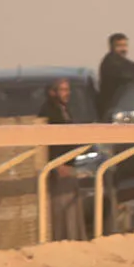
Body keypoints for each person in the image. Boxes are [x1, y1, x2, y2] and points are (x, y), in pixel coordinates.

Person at [38, 77, 88, 242]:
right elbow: (48, 142)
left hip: (70, 164)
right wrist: (57, 164)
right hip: (59, 167)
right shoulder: (48, 112)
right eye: (63, 90)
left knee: (72, 208)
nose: (67, 93)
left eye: (68, 89)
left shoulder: (64, 110)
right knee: (61, 209)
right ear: (53, 92)